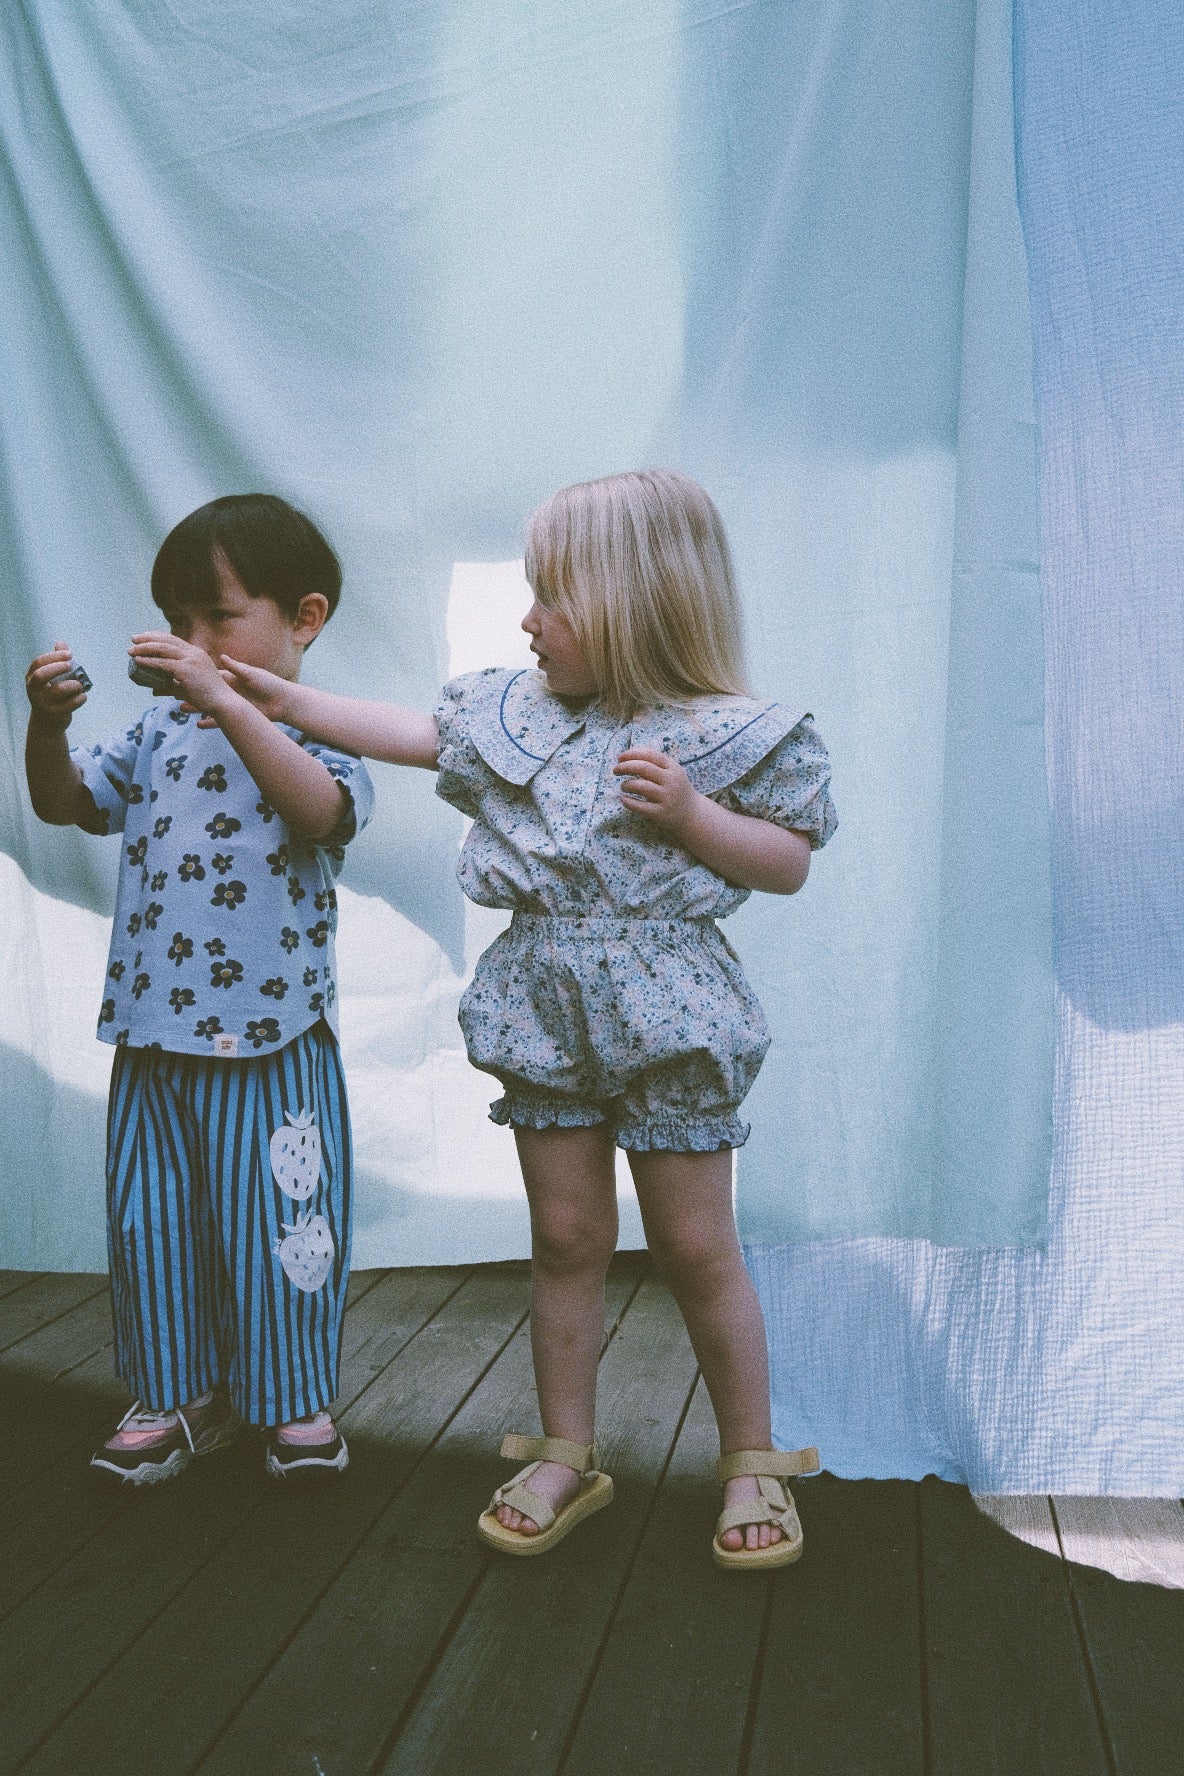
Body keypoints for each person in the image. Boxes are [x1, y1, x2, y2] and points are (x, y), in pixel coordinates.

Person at [214, 469, 836, 1567]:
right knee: (564, 1237)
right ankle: (565, 1448)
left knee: (695, 1244)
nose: (526, 619)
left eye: (551, 596)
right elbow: (408, 734)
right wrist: (279, 699)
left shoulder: (725, 736)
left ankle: (749, 1455)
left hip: (670, 1010)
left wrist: (693, 815)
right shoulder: (518, 718)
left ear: (632, 604)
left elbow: (784, 860)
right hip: (545, 1003)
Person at [24, 493, 374, 1485]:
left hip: (269, 1037)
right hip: (152, 1030)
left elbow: (318, 815)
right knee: (152, 1221)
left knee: (280, 1217)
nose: (191, 643)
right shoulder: (155, 734)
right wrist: (48, 727)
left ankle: (290, 1396)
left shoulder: (318, 731)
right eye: (179, 623)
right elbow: (64, 803)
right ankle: (175, 1394)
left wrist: (228, 700)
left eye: (217, 618)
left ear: (301, 619)